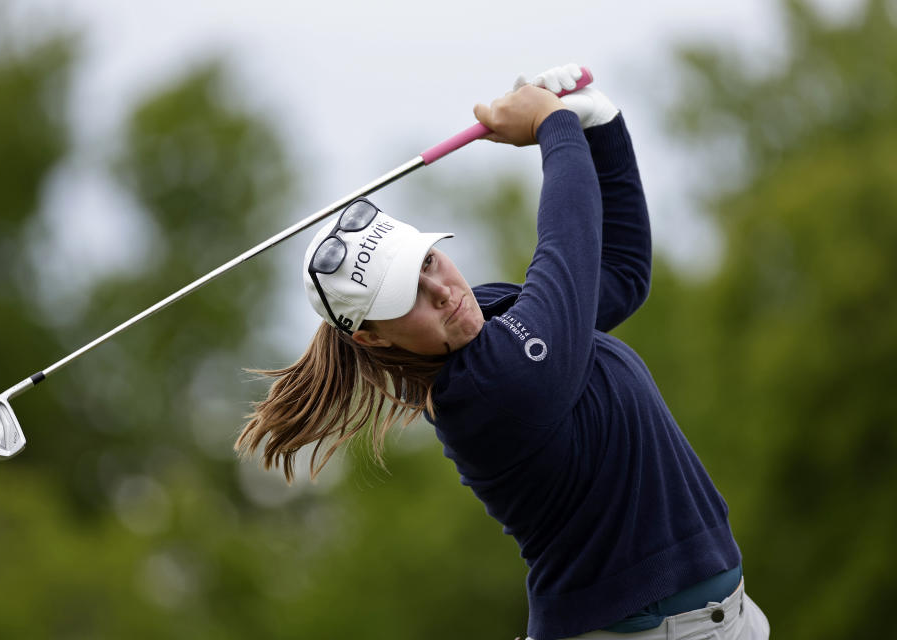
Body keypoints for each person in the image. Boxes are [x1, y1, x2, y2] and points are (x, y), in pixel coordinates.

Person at [235, 64, 770, 640]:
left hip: (714, 622)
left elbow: (618, 272)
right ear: (371, 336)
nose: (441, 290)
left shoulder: (491, 323)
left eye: (429, 261)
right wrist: (553, 125)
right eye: (407, 295)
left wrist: (601, 125)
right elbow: (566, 245)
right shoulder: (489, 391)